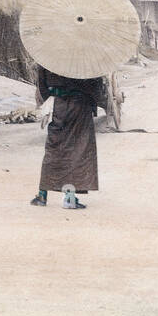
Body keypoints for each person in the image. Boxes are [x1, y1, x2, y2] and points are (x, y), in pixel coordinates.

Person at [29, 64, 108, 210]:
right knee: (77, 150)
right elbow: (95, 87)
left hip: (58, 105)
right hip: (80, 106)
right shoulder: (85, 58)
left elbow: (42, 86)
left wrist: (52, 98)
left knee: (54, 147)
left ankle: (42, 195)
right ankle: (70, 198)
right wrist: (99, 101)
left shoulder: (49, 57)